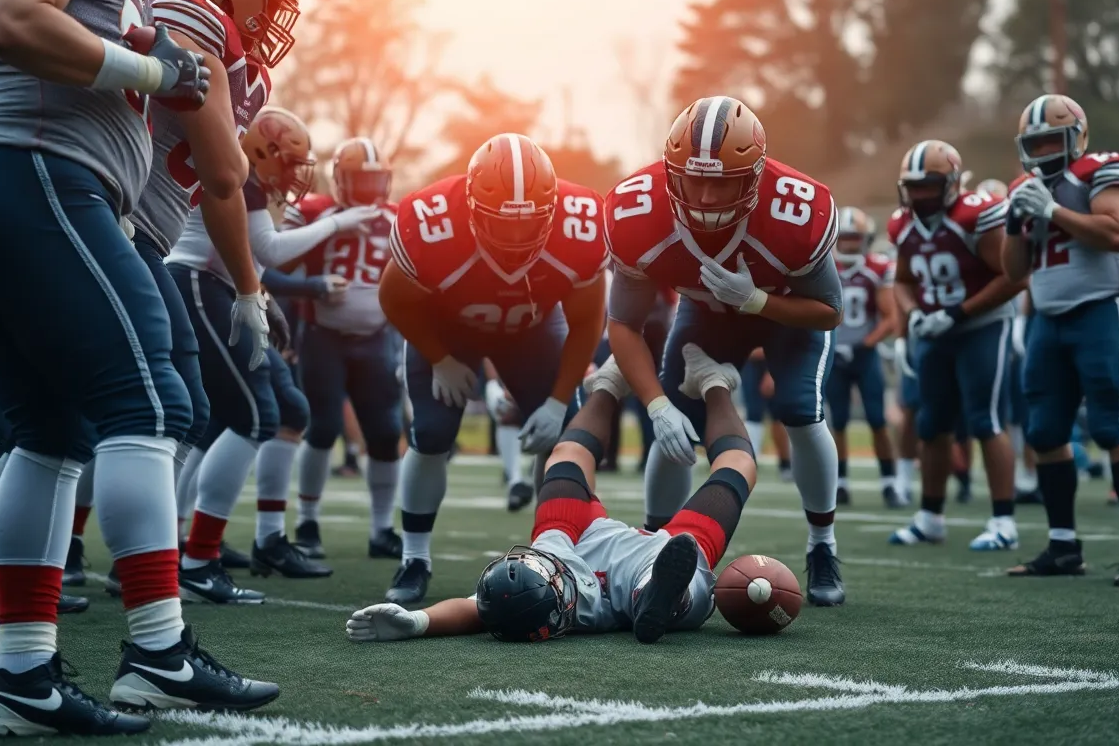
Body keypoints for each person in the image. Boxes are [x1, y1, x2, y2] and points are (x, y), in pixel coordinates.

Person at [0, 0, 284, 733]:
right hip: (38, 168)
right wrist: (152, 71)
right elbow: (12, 17)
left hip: (30, 176)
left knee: (51, 431)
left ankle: (23, 674)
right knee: (147, 402)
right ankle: (159, 651)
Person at [604, 96, 845, 607]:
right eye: (696, 179)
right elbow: (623, 323)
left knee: (801, 413)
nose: (707, 196)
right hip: (707, 317)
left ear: (755, 177)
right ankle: (651, 544)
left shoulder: (795, 210)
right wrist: (656, 406)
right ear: (672, 174)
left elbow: (828, 311)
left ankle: (822, 544)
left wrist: (757, 300)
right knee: (674, 427)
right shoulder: (638, 212)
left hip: (787, 315)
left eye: (724, 181)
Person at [346, 347, 756, 645]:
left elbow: (471, 610)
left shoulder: (529, 591)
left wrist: (416, 622)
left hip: (583, 544)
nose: (528, 560)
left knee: (565, 456)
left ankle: (610, 381)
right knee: (736, 469)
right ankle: (713, 383)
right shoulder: (563, 596)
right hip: (636, 571)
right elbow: (477, 608)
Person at [379, 133, 607, 605]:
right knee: (433, 432)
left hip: (533, 331)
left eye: (530, 225)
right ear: (470, 205)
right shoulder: (431, 221)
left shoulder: (580, 224)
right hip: (447, 332)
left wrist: (558, 399)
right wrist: (439, 358)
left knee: (568, 435)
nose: (516, 238)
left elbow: (587, 321)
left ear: (552, 209)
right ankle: (414, 556)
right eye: (502, 224)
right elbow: (394, 299)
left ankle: (559, 551)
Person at [168, 108, 378, 599]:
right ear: (263, 151)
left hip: (221, 286)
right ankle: (194, 557)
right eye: (290, 162)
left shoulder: (248, 174)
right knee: (252, 415)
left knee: (263, 411)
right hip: (201, 282)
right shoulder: (240, 169)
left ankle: (196, 549)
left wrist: (261, 295)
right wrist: (339, 223)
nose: (296, 174)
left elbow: (255, 253)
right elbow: (270, 247)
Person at [1002, 94, 1119, 585]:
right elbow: (1012, 270)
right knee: (1046, 433)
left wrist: (1051, 210)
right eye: (1036, 142)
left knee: (1112, 428)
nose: (1044, 150)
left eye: (1053, 139)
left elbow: (1117, 232)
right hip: (1047, 319)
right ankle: (1064, 546)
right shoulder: (1024, 187)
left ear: (1077, 137)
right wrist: (1014, 222)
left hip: (1098, 310)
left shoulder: (1100, 171)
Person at [886, 141, 1022, 551]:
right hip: (936, 332)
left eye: (929, 186)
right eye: (913, 187)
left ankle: (1004, 521)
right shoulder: (901, 225)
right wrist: (911, 317)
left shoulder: (976, 215)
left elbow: (1014, 276)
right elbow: (904, 281)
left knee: (986, 420)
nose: (920, 195)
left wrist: (958, 313)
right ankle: (930, 518)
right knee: (931, 425)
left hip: (982, 327)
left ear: (951, 184)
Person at [288, 138, 405, 560]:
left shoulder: (402, 218)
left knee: (385, 433)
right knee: (321, 428)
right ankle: (307, 522)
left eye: (377, 179)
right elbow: (280, 260)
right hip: (323, 335)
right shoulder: (317, 213)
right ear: (340, 180)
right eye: (362, 180)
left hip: (376, 338)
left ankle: (381, 529)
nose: (372, 189)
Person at [829, 207, 901, 507]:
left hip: (864, 354)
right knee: (839, 421)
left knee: (876, 418)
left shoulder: (878, 268)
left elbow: (890, 318)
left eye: (854, 238)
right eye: (844, 238)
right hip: (834, 354)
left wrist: (862, 345)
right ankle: (840, 483)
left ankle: (889, 482)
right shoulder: (824, 267)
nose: (848, 245)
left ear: (865, 239)